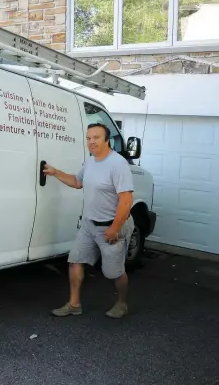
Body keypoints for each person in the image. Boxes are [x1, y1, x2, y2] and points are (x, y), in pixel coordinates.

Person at [44, 122, 135, 319]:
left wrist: (114, 228)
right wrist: (55, 172)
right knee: (75, 260)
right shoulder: (90, 161)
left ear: (106, 140)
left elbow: (126, 201)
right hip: (89, 224)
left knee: (114, 273)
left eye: (96, 138)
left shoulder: (118, 164)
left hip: (111, 226)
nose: (91, 142)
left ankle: (122, 303)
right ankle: (74, 304)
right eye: (88, 138)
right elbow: (77, 182)